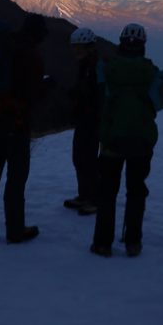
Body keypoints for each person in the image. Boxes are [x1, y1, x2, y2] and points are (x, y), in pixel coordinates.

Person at [0, 12, 48, 244]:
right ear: (38, 35)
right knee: (16, 177)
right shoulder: (31, 56)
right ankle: (15, 230)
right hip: (16, 122)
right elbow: (32, 95)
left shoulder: (4, 46)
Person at [90, 23, 163, 258]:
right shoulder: (152, 73)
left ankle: (103, 243)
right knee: (136, 191)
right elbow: (156, 105)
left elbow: (100, 98)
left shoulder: (107, 69)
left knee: (107, 191)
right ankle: (133, 242)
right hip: (141, 141)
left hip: (112, 139)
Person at [62, 27, 100, 215]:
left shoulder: (93, 67)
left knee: (87, 158)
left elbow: (93, 94)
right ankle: (85, 195)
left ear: (88, 47)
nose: (76, 51)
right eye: (74, 48)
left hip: (92, 119)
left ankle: (93, 198)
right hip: (86, 118)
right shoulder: (86, 65)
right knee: (81, 157)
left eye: (79, 48)